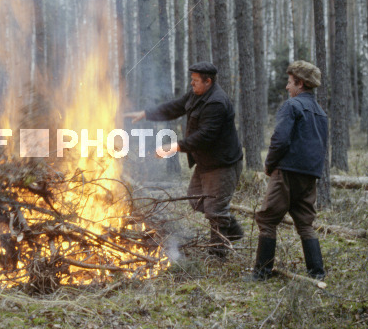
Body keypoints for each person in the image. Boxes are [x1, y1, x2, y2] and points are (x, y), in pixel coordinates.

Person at [126, 61, 244, 256]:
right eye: (192, 80)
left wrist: (175, 146)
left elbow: (206, 136)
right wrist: (146, 113)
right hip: (206, 162)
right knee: (196, 200)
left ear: (208, 81)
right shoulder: (197, 94)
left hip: (223, 164)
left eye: (196, 81)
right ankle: (233, 230)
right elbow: (176, 107)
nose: (192, 84)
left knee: (215, 210)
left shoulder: (216, 102)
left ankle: (218, 253)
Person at [251, 60, 328, 281]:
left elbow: (280, 140)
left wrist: (270, 164)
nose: (287, 87)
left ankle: (262, 273)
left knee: (267, 220)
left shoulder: (291, 106)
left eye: (290, 82)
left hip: (286, 172)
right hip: (310, 175)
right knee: (305, 223)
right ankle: (317, 273)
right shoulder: (321, 112)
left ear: (300, 83)